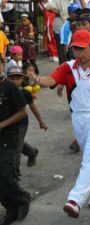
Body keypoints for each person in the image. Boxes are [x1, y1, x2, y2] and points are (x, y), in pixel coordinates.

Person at [33, 30, 90, 218]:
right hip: (79, 118)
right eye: (74, 48)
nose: (77, 52)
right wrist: (36, 79)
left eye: (81, 48)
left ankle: (75, 199)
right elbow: (51, 80)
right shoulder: (68, 67)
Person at [0, 63, 31, 225]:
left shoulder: (9, 86)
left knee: (4, 174)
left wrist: (2, 125)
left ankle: (22, 198)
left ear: (2, 66)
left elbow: (22, 112)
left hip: (9, 137)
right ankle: (11, 207)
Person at [6, 66, 47, 177]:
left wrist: (41, 122)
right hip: (7, 123)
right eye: (12, 78)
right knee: (14, 143)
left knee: (16, 147)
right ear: (6, 79)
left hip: (21, 124)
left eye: (18, 78)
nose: (15, 81)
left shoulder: (24, 93)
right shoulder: (4, 91)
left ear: (22, 79)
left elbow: (33, 108)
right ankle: (32, 152)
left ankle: (14, 172)